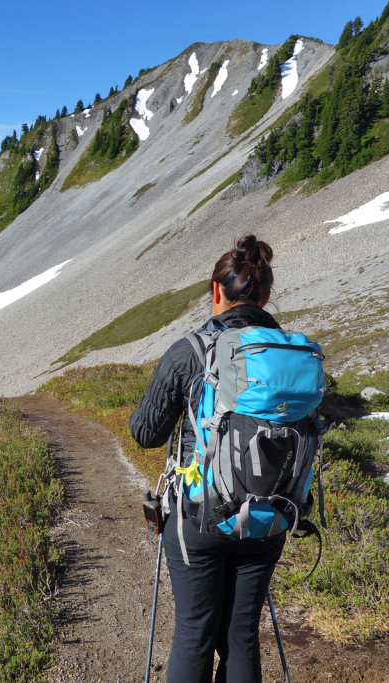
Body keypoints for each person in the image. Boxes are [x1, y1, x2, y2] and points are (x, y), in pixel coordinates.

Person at [130, 234, 284, 683]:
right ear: (267, 297)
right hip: (269, 516)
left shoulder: (190, 350)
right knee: (241, 635)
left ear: (216, 291)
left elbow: (145, 433)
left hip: (197, 515)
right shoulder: (289, 355)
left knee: (195, 633)